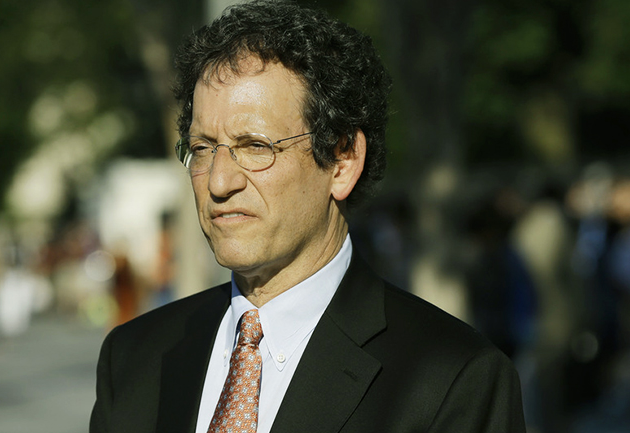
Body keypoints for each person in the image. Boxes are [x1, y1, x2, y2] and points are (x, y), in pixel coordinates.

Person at [90, 1, 526, 432]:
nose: (219, 182)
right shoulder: (132, 357)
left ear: (342, 161)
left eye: (255, 147)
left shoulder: (453, 381)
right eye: (203, 148)